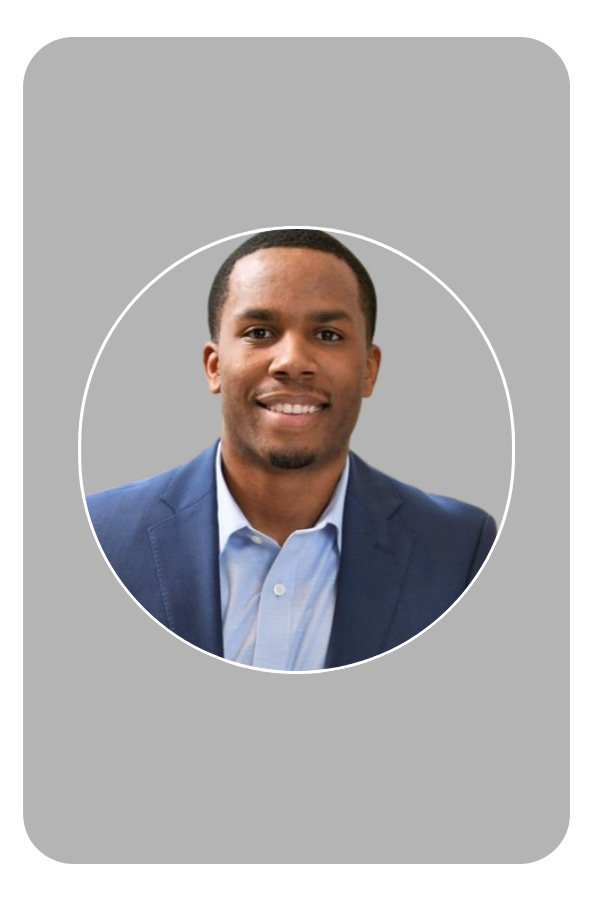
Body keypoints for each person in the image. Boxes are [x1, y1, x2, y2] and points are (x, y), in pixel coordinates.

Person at [86, 229, 497, 670]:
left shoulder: (461, 548)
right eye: (260, 331)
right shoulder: (99, 534)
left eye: (328, 334)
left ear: (369, 370)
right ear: (214, 366)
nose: (292, 361)